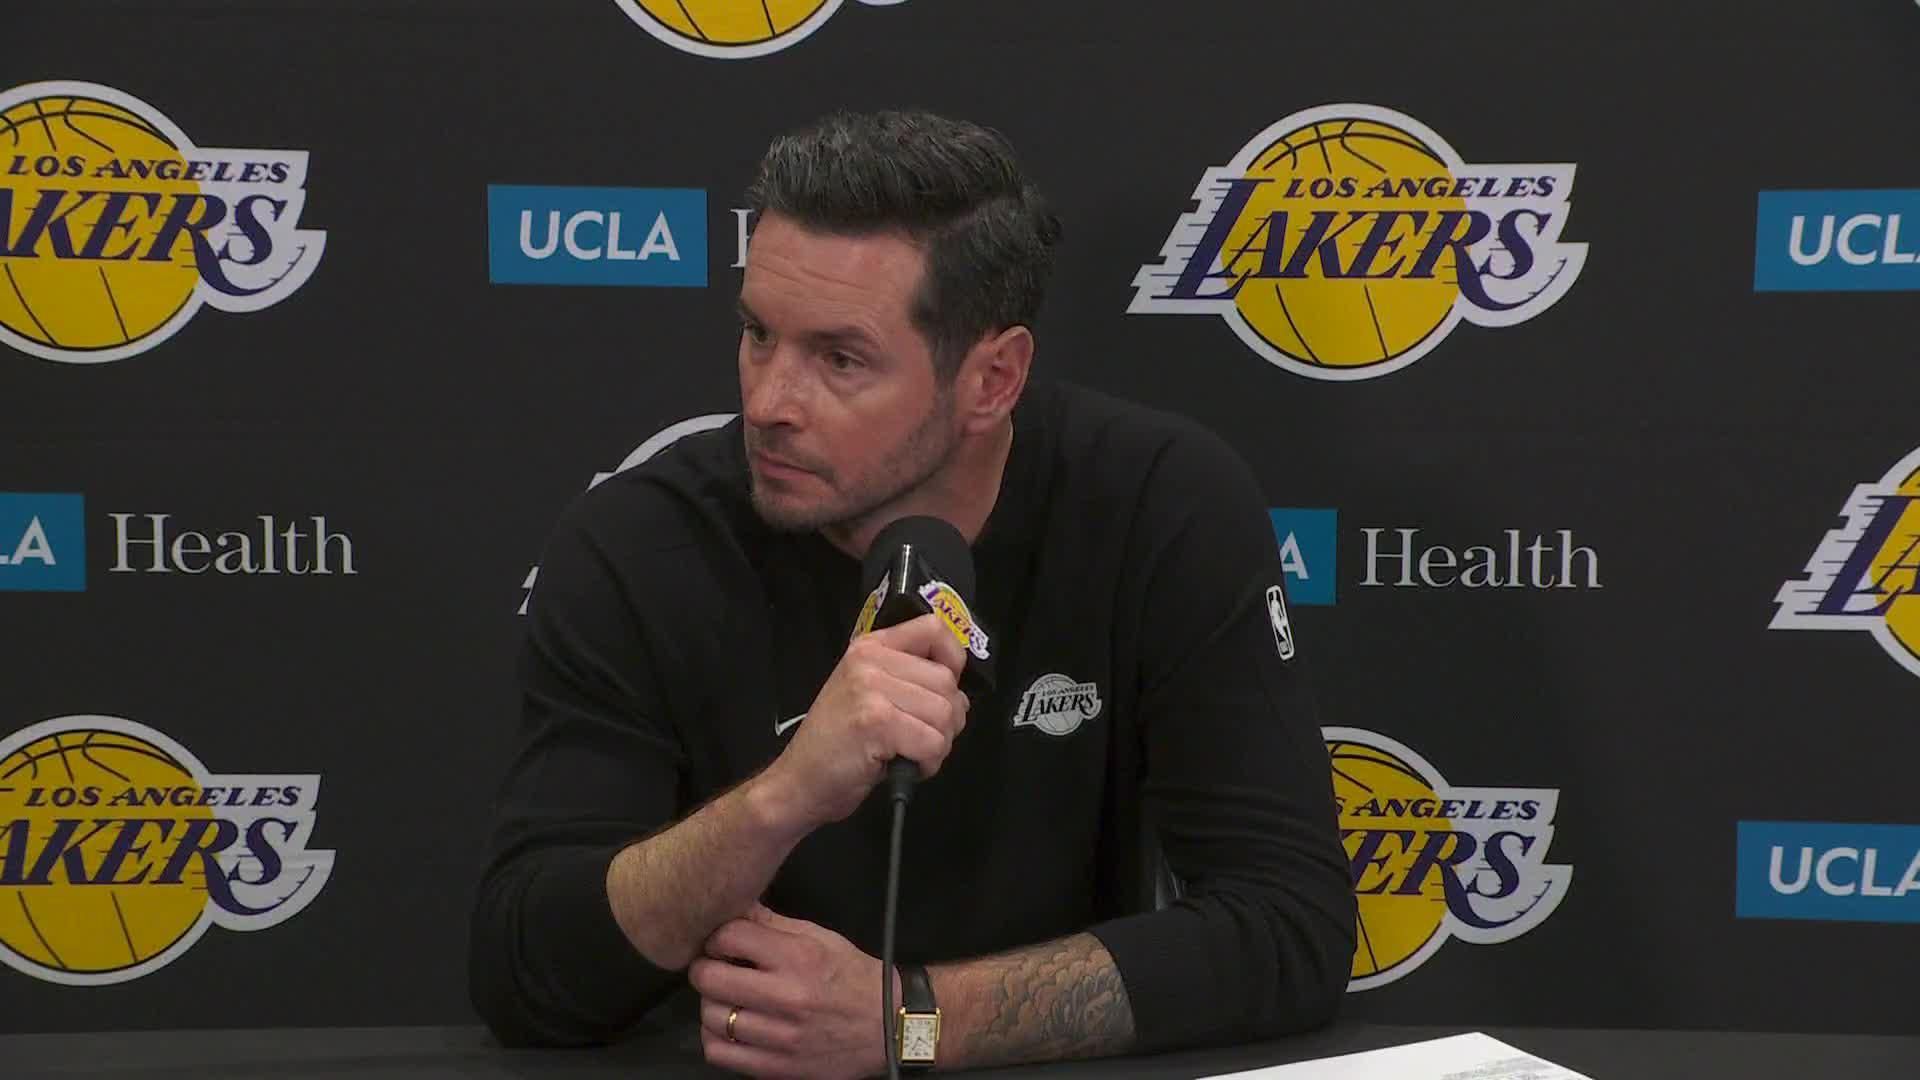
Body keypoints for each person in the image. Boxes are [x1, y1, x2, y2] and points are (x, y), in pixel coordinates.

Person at [469, 109, 1355, 1077]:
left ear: (993, 379)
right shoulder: (640, 542)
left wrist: (912, 1018)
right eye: (757, 334)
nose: (768, 401)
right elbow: (526, 973)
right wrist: (784, 798)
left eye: (840, 360)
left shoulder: (1159, 505)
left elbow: (1288, 926)